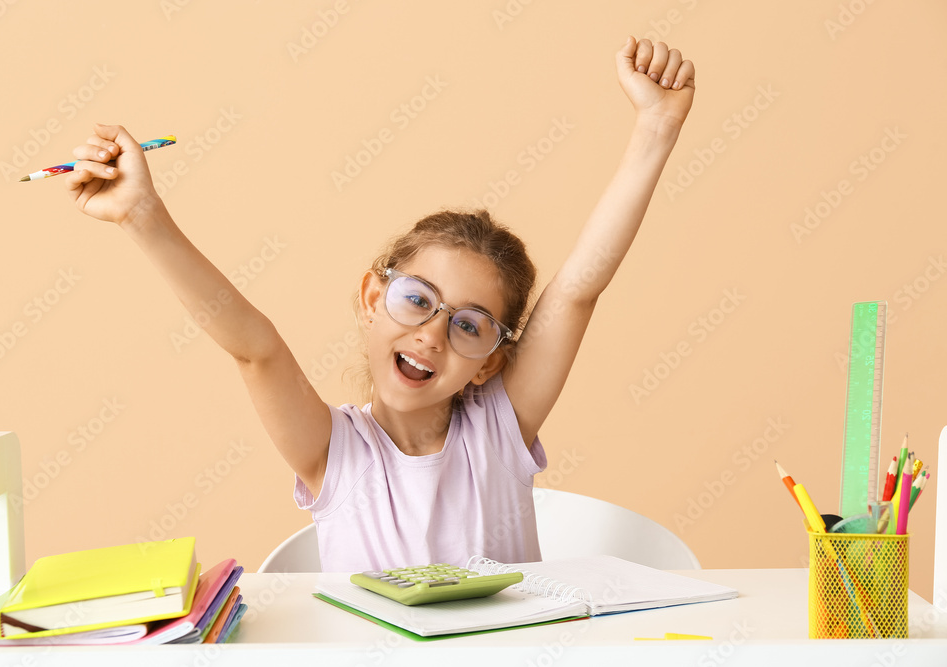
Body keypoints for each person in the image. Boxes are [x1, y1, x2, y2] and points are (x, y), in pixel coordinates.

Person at [64, 37, 695, 571]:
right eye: (417, 300)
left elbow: (578, 288)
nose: (432, 334)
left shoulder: (499, 430)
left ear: (490, 363)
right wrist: (143, 217)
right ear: (372, 297)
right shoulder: (336, 454)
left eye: (469, 325)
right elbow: (255, 349)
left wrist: (656, 127)